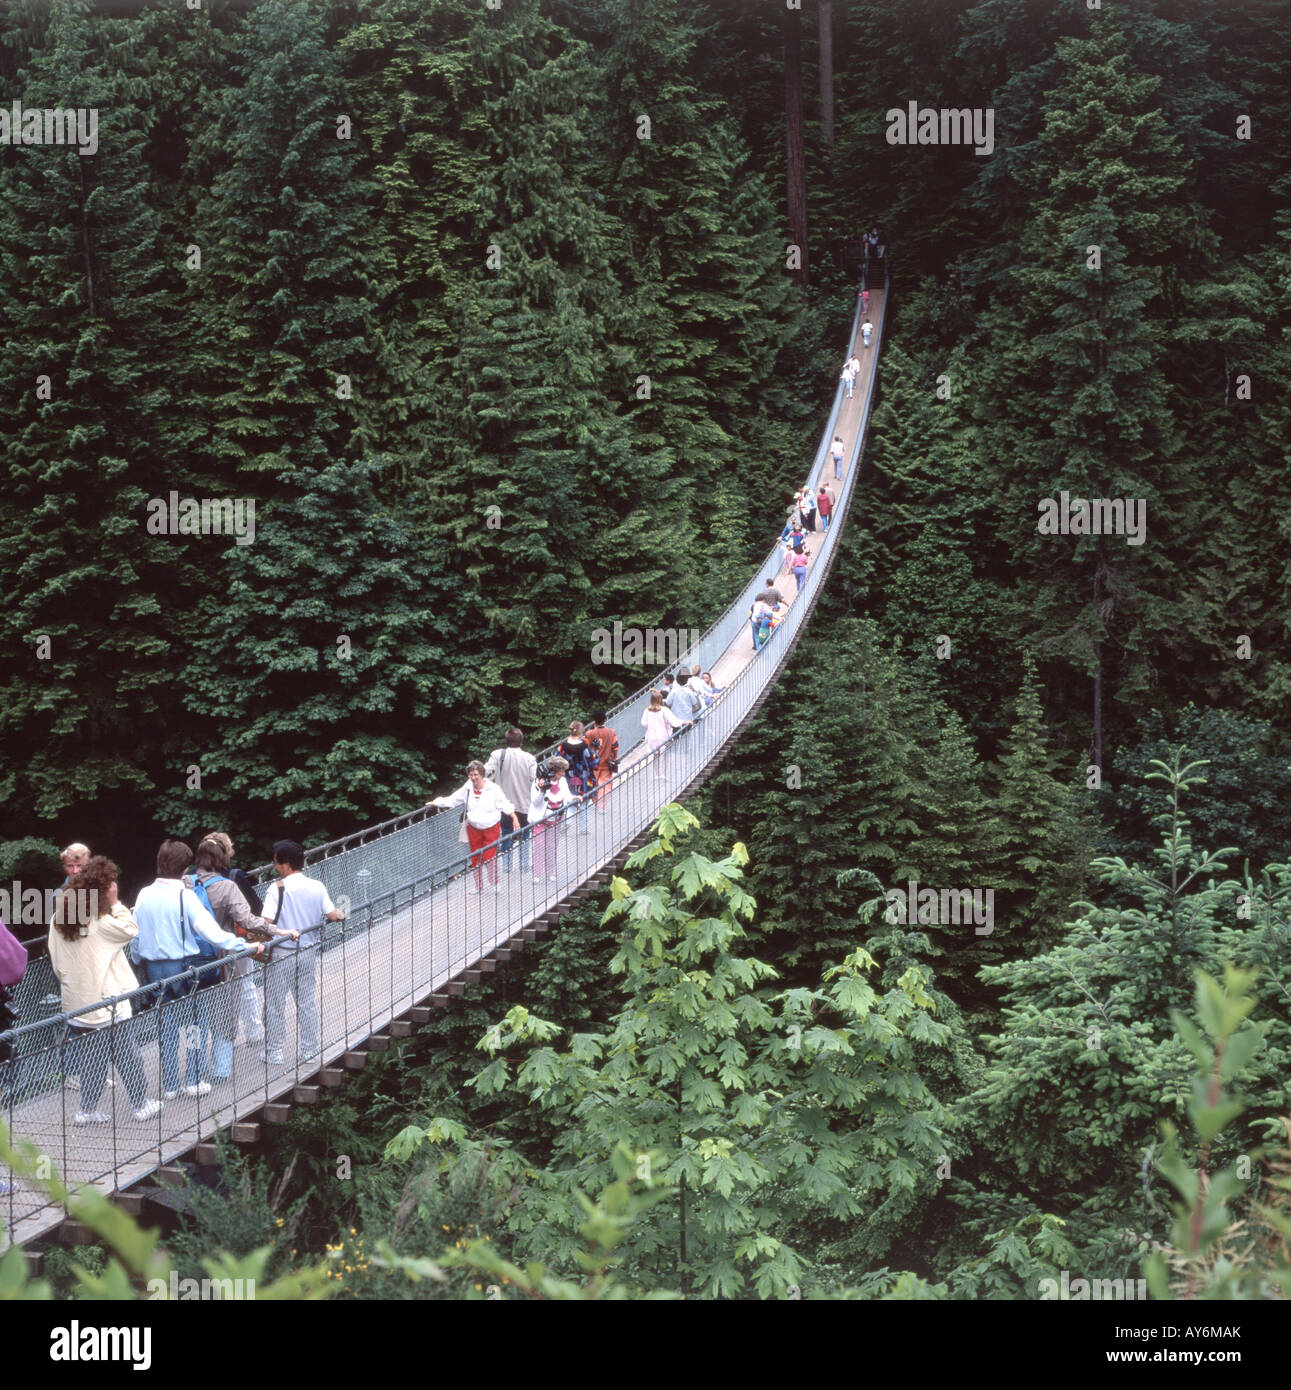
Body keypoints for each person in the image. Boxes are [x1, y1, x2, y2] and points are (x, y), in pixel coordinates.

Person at [132, 839, 259, 1099]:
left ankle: (169, 1085)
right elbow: (213, 933)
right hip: (186, 968)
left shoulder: (143, 894)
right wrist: (245, 945)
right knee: (194, 1026)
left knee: (166, 1027)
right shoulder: (185, 895)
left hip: (155, 970)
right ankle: (193, 1079)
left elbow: (136, 937)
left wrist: (138, 961)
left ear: (159, 862)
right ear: (184, 867)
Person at [48, 856, 164, 1125]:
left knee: (93, 1059)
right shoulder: (100, 920)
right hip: (107, 1001)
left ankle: (86, 1111)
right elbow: (130, 929)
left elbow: (57, 961)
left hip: (77, 1001)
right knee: (129, 1056)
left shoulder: (59, 918)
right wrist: (115, 904)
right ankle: (140, 1105)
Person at [187, 835, 283, 1081]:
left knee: (194, 1019)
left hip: (189, 960)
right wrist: (275, 930)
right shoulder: (226, 886)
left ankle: (192, 1075)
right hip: (222, 958)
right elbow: (248, 919)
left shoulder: (185, 884)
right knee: (224, 1015)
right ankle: (220, 1070)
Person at [259, 840, 344, 1066]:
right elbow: (332, 914)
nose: (275, 866)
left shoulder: (276, 889)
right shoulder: (317, 886)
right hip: (307, 951)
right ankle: (309, 1050)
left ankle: (274, 1051)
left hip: (281, 954)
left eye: (276, 862)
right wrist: (343, 914)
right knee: (306, 1002)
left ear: (285, 864)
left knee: (275, 1004)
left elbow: (265, 923)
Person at [429, 762, 521, 894]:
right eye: (471, 775)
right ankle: (478, 886)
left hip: (491, 826)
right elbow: (453, 800)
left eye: (476, 774)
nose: (473, 777)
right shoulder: (467, 789)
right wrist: (436, 802)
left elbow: (504, 804)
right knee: (475, 857)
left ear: (482, 775)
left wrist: (514, 817)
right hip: (473, 827)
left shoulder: (493, 789)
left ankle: (494, 883)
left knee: (489, 857)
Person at [484, 729, 537, 874]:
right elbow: (535, 779)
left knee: (506, 833)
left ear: (507, 741)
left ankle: (507, 867)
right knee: (525, 834)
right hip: (525, 803)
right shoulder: (529, 758)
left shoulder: (497, 755)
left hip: (504, 805)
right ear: (521, 741)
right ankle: (524, 866)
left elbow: (485, 773)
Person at [528, 757, 576, 882]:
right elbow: (535, 802)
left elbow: (567, 796)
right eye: (561, 771)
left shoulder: (563, 781)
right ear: (554, 771)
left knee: (552, 846)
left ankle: (550, 872)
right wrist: (542, 791)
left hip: (556, 819)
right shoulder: (538, 782)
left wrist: (575, 798)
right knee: (538, 846)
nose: (563, 773)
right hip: (540, 820)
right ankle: (536, 874)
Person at [642, 691, 686, 777]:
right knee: (665, 755)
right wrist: (683, 722)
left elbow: (643, 723)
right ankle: (663, 774)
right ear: (660, 699)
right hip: (663, 736)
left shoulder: (647, 710)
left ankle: (656, 774)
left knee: (655, 755)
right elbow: (674, 721)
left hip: (652, 736)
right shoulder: (664, 710)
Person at [583, 711, 619, 814]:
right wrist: (615, 758)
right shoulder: (611, 732)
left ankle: (595, 802)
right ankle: (601, 806)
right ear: (605, 719)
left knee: (594, 784)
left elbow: (584, 748)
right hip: (606, 764)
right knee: (605, 785)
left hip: (592, 765)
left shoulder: (589, 734)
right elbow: (615, 747)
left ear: (594, 721)